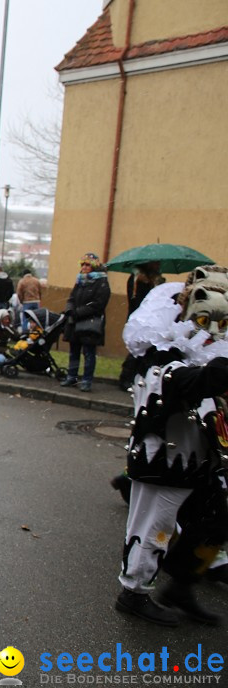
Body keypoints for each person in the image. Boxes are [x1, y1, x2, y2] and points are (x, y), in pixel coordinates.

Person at [114, 266, 228, 626]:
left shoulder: (212, 346)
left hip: (202, 457)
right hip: (164, 456)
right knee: (155, 527)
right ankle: (133, 594)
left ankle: (182, 582)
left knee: (218, 516)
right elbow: (179, 381)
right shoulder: (161, 347)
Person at [60, 252, 111, 392]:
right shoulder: (80, 280)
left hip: (90, 322)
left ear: (94, 266)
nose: (84, 267)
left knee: (89, 353)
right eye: (82, 264)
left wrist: (79, 312)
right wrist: (69, 309)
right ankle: (72, 376)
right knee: (74, 351)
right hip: (75, 321)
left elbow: (98, 304)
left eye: (87, 264)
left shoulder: (101, 282)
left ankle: (87, 380)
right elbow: (71, 297)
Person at [118, 262, 165, 390]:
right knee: (137, 350)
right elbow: (139, 301)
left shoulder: (152, 280)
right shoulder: (138, 280)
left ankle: (134, 377)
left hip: (149, 320)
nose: (158, 266)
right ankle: (126, 377)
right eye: (156, 264)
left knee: (144, 351)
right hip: (140, 320)